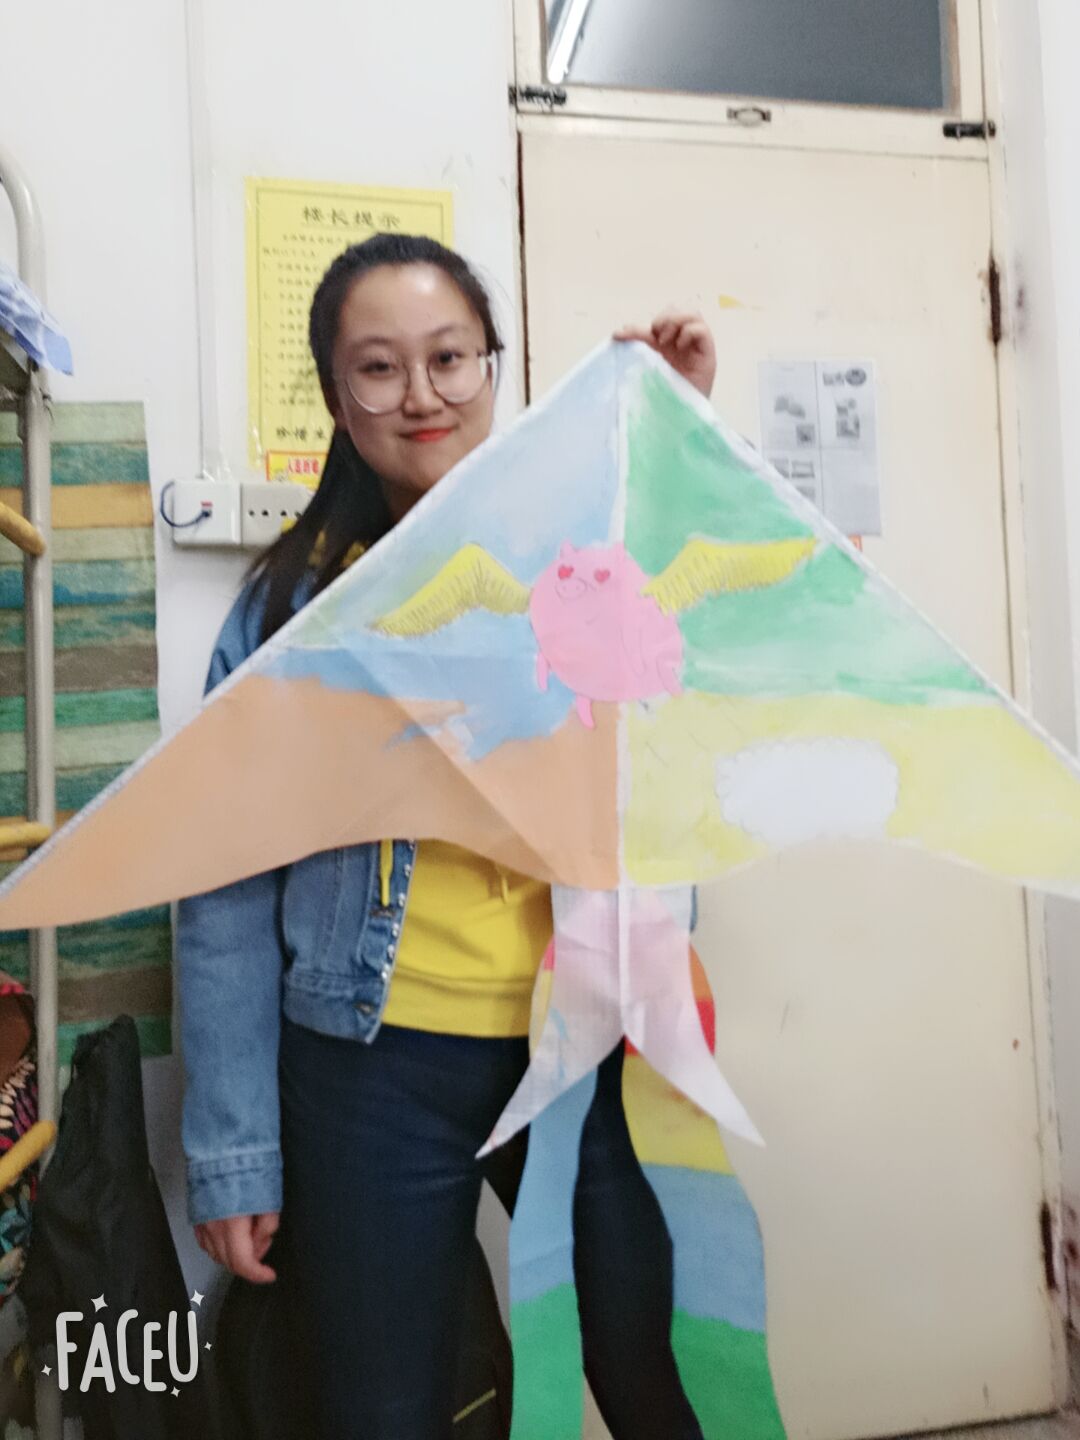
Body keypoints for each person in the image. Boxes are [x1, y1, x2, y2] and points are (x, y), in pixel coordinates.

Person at [177, 233, 718, 1440]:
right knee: (382, 1410)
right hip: (368, 1071)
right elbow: (220, 884)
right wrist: (235, 1153)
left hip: (578, 1048)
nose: (421, 394)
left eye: (450, 358)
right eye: (379, 368)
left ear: (491, 367)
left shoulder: (586, 566)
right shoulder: (291, 614)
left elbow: (702, 690)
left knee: (659, 1376)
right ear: (338, 397)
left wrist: (673, 441)